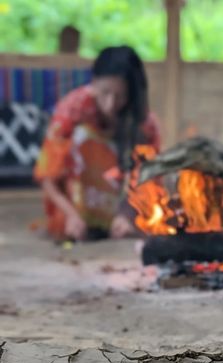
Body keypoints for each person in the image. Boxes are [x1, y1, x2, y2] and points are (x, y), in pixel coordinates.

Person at [34, 46, 161, 240]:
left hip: (121, 208)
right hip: (75, 206)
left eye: (119, 96)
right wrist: (71, 216)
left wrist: (128, 215)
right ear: (93, 83)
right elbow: (48, 177)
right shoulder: (72, 110)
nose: (110, 104)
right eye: (104, 93)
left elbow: (149, 180)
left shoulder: (145, 124)